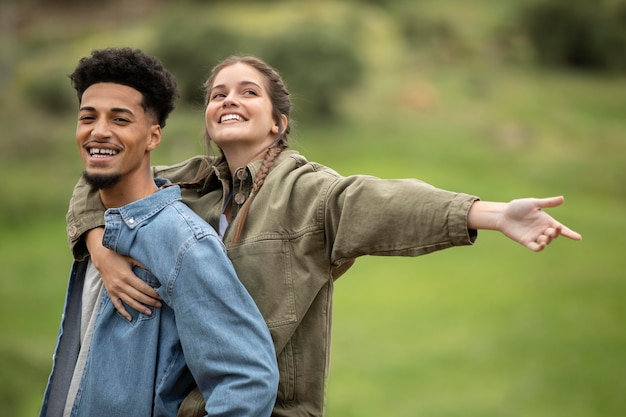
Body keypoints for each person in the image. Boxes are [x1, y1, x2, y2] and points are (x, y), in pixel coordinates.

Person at [65, 55, 582, 417]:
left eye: (248, 92)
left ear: (277, 122)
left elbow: (383, 200)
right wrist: (98, 247)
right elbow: (103, 173)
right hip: (178, 406)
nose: (228, 99)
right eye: (218, 93)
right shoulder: (186, 184)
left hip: (270, 408)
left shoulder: (307, 192)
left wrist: (489, 213)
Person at [39, 49, 278, 417]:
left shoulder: (184, 242)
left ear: (153, 137)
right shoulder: (99, 227)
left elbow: (247, 379)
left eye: (120, 119)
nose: (99, 131)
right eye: (88, 117)